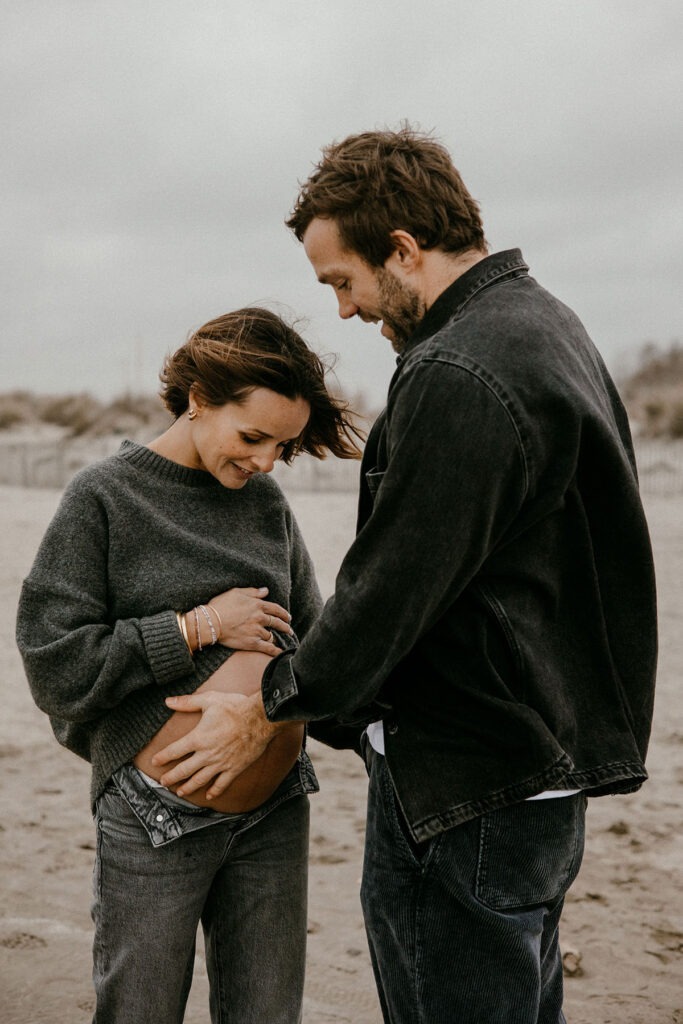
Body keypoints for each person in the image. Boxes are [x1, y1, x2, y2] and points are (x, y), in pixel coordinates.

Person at [150, 129, 658, 1023]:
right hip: (539, 761)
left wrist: (272, 704)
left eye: (340, 281)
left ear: (404, 251)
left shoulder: (459, 370)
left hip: (466, 784)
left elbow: (392, 590)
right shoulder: (547, 326)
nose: (343, 311)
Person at [16, 306, 362, 1024]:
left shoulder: (264, 504)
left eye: (282, 447)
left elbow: (321, 643)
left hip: (274, 810)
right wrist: (199, 627)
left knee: (266, 1015)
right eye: (253, 437)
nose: (265, 463)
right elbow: (57, 668)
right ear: (199, 398)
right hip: (152, 819)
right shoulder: (104, 498)